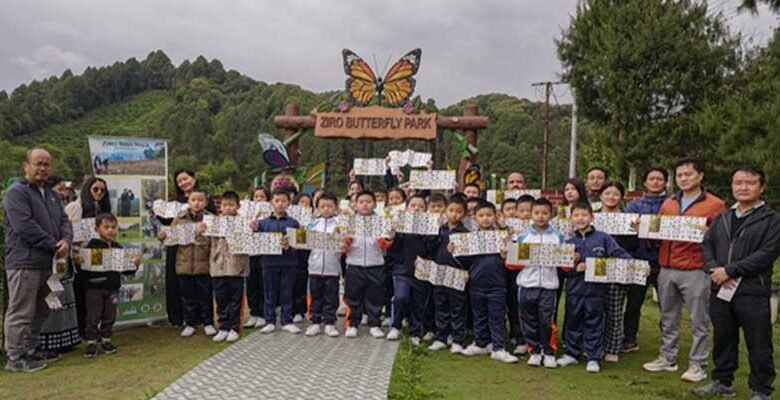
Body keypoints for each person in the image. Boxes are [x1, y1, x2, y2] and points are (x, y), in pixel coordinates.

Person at [694, 166, 780, 400]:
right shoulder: (723, 217)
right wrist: (714, 269)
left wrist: (730, 270)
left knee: (758, 342)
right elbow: (707, 245)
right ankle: (722, 381)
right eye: (738, 182)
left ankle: (761, 389)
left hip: (752, 290)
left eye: (750, 183)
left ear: (761, 188)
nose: (743, 187)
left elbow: (767, 253)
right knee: (723, 337)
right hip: (721, 288)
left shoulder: (772, 220)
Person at [643, 157, 726, 383]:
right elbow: (659, 234)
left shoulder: (715, 204)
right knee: (668, 317)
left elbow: (722, 238)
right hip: (667, 267)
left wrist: (709, 234)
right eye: (679, 175)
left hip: (696, 269)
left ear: (700, 176)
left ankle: (698, 364)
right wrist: (646, 230)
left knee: (699, 319)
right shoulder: (669, 203)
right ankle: (667, 357)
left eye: (688, 174)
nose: (683, 179)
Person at [3, 148, 72, 372]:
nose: (42, 168)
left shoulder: (52, 195)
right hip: (24, 262)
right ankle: (15, 356)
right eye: (38, 164)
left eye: (46, 164)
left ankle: (30, 349)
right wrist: (54, 244)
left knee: (42, 310)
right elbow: (24, 226)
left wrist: (66, 240)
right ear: (26, 166)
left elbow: (64, 221)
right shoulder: (16, 192)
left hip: (48, 264)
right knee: (21, 311)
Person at [557, 202, 633, 373]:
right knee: (573, 321)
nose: (580, 219)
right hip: (574, 290)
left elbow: (619, 254)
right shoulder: (569, 242)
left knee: (595, 323)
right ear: (571, 219)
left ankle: (593, 357)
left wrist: (637, 266)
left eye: (584, 215)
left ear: (592, 217)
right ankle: (572, 353)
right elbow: (563, 269)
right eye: (576, 215)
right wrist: (574, 266)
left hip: (596, 291)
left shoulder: (603, 238)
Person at [453, 201, 518, 364]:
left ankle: (498, 347)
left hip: (497, 285)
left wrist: (507, 253)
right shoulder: (469, 238)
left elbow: (513, 261)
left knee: (497, 317)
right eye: (481, 215)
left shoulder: (503, 237)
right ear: (475, 218)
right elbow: (464, 262)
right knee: (479, 316)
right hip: (476, 284)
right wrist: (454, 252)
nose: (485, 219)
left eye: (489, 215)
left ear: (495, 217)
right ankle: (480, 343)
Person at [158, 168, 217, 327]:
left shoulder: (206, 199)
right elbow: (168, 226)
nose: (183, 182)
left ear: (194, 178)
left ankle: (203, 320)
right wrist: (161, 225)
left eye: (186, 179)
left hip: (201, 250)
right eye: (179, 181)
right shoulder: (173, 203)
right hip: (179, 248)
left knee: (202, 287)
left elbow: (213, 222)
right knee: (179, 284)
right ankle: (179, 317)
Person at [511, 198, 565, 369]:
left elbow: (565, 262)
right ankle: (534, 351)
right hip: (527, 284)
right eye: (537, 213)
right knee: (528, 319)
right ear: (531, 215)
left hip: (548, 286)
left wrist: (572, 258)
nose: (540, 216)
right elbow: (513, 263)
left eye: (545, 213)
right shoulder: (523, 236)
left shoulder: (558, 236)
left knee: (546, 320)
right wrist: (509, 255)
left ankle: (548, 352)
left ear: (551, 215)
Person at [76, 213, 139, 357]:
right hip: (94, 288)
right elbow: (82, 271)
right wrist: (79, 263)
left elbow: (125, 269)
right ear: (97, 228)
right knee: (93, 316)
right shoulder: (90, 247)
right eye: (106, 227)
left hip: (112, 288)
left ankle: (106, 340)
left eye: (113, 227)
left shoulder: (118, 248)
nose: (110, 230)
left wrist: (134, 265)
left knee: (110, 316)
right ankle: (91, 342)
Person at [622, 167, 669, 353]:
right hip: (639, 260)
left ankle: (668, 341)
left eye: (659, 179)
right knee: (634, 303)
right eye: (652, 178)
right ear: (645, 182)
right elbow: (625, 234)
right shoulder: (633, 206)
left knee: (667, 305)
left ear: (665, 182)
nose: (655, 182)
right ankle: (629, 339)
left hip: (663, 261)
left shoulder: (672, 205)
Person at [65, 177, 112, 340]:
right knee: (82, 295)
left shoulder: (103, 210)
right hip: (80, 258)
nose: (99, 192)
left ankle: (93, 329)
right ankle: (82, 330)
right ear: (87, 189)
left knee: (96, 297)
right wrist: (74, 255)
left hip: (99, 256)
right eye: (95, 189)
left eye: (102, 190)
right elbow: (68, 233)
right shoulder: (75, 207)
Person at [598, 181, 639, 363]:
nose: (611, 197)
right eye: (607, 193)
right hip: (594, 268)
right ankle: (594, 345)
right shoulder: (592, 216)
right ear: (601, 196)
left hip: (618, 269)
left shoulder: (627, 218)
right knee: (594, 309)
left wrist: (635, 231)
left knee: (614, 310)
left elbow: (633, 247)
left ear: (622, 197)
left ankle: (612, 347)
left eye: (615, 194)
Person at [343, 191, 392, 338]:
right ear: (355, 205)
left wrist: (389, 238)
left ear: (375, 204)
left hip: (375, 264)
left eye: (369, 202)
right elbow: (342, 244)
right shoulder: (348, 221)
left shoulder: (382, 221)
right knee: (353, 296)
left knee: (375, 296)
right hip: (354, 264)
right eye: (361, 202)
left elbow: (386, 244)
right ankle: (353, 324)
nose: (365, 205)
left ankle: (374, 324)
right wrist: (344, 240)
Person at [385, 195, 433, 344]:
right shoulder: (400, 227)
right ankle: (396, 326)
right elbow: (392, 249)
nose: (416, 209)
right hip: (402, 270)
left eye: (421, 206)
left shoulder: (430, 228)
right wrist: (391, 237)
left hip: (422, 271)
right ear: (406, 209)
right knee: (400, 297)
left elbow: (432, 249)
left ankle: (415, 332)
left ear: (426, 210)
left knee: (419, 302)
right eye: (413, 205)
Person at [427, 196, 469, 353]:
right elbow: (430, 248)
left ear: (464, 214)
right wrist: (434, 232)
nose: (454, 214)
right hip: (439, 271)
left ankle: (457, 339)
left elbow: (468, 258)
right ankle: (441, 337)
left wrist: (458, 252)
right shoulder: (440, 229)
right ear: (445, 211)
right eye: (451, 210)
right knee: (440, 305)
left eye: (459, 211)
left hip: (457, 273)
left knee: (457, 307)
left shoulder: (465, 233)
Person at [257, 188, 301, 334]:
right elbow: (256, 242)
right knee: (269, 292)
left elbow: (300, 245)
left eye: (284, 201)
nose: (280, 204)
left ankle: (286, 321)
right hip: (269, 263)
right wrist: (252, 229)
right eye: (277, 201)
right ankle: (269, 321)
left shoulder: (294, 222)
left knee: (287, 292)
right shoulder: (262, 223)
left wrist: (291, 244)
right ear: (271, 203)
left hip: (289, 263)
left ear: (289, 203)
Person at [210, 191, 249, 343]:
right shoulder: (214, 222)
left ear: (238, 206)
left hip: (236, 266)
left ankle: (234, 327)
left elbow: (249, 241)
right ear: (220, 207)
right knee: (221, 298)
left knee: (235, 298)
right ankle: (223, 327)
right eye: (224, 205)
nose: (227, 208)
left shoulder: (243, 222)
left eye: (231, 205)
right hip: (218, 266)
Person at [304, 191, 342, 337]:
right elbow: (304, 243)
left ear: (336, 207)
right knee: (315, 296)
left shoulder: (340, 225)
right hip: (315, 267)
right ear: (318, 208)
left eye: (329, 206)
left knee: (331, 297)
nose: (326, 209)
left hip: (332, 268)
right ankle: (315, 322)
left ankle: (329, 323)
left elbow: (345, 243)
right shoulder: (312, 224)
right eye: (323, 206)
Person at [245, 186, 270, 328]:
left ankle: (262, 314)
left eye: (262, 197)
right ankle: (253, 313)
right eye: (256, 197)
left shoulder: (270, 214)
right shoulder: (246, 214)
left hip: (264, 253)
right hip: (250, 253)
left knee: (262, 284)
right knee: (251, 284)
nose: (259, 199)